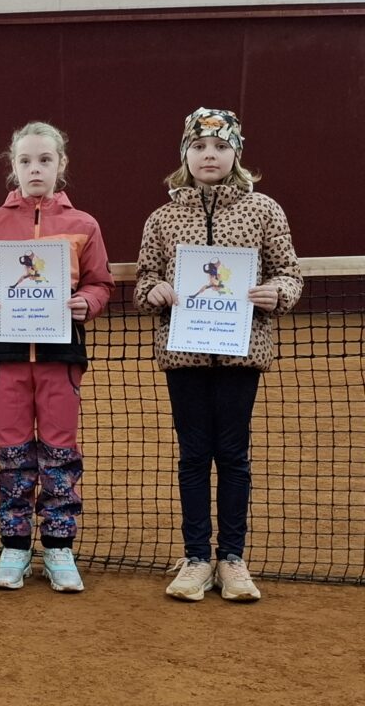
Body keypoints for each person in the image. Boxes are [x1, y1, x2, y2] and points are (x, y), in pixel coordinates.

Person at [134, 107, 302, 602]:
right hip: (183, 356)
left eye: (221, 146)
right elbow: (144, 279)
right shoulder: (162, 218)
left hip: (240, 355)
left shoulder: (264, 210)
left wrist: (277, 292)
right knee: (192, 456)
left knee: (232, 455)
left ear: (237, 153)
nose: (210, 155)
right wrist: (154, 291)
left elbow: (289, 273)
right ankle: (195, 559)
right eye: (200, 146)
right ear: (185, 154)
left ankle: (231, 559)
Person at [0, 122, 114, 593]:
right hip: (7, 357)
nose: (35, 169)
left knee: (59, 451)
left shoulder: (84, 225)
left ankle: (58, 547)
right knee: (12, 453)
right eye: (26, 160)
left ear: (60, 164)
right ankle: (14, 546)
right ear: (13, 166)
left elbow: (100, 283)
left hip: (60, 357)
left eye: (45, 160)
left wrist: (86, 302)